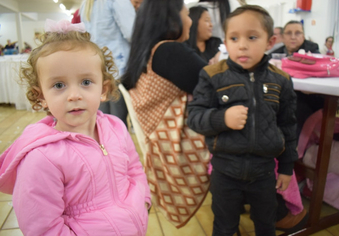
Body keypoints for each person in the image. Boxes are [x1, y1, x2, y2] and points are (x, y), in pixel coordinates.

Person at [0, 19, 150, 235]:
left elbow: (134, 169)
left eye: (86, 82)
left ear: (104, 88)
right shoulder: (41, 158)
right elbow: (43, 228)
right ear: (41, 96)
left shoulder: (116, 127)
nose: (74, 95)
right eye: (59, 85)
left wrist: (142, 201)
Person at [187, 5, 298, 236]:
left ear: (270, 41)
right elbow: (194, 117)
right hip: (225, 172)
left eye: (252, 37)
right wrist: (222, 118)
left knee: (266, 225)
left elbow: (288, 125)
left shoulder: (281, 80)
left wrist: (286, 168)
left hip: (265, 173)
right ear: (226, 43)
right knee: (225, 227)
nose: (242, 45)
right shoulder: (212, 75)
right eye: (234, 38)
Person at [121, 0, 211, 228]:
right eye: (187, 14)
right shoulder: (168, 50)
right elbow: (215, 85)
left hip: (159, 147)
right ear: (172, 18)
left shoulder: (145, 54)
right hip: (176, 145)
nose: (190, 21)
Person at [80, 0, 136, 127]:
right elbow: (132, 33)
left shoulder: (86, 4)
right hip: (118, 68)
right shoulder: (116, 1)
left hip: (98, 68)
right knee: (118, 123)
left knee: (103, 122)